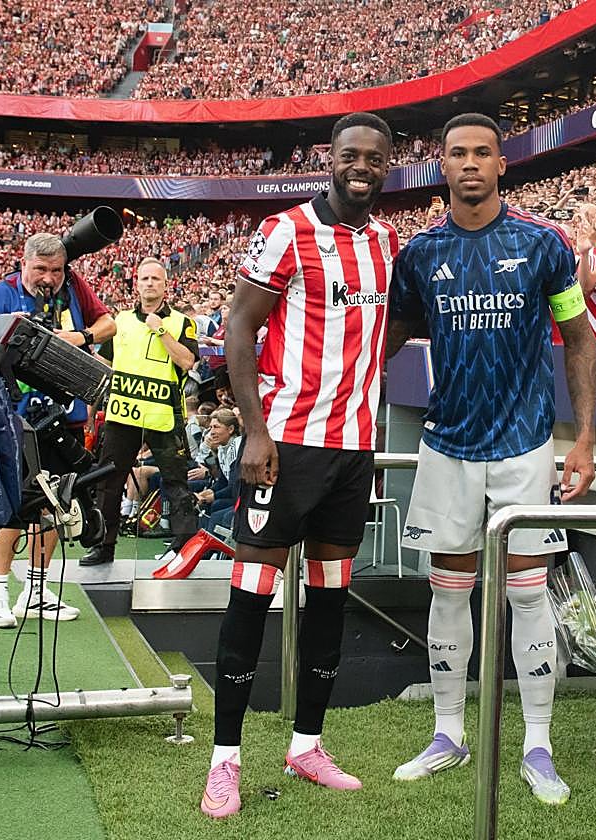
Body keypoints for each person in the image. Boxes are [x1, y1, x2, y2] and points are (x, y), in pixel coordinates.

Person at [385, 112, 596, 806]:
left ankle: (538, 741)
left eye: (483, 153)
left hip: (526, 442)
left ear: (503, 164)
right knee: (448, 587)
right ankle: (449, 732)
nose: (470, 164)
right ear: (440, 166)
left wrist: (585, 439)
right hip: (448, 440)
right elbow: (388, 338)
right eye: (457, 154)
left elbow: (578, 340)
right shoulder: (418, 254)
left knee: (528, 590)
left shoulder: (543, 244)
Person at [199, 112, 399, 819]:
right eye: (351, 155)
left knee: (331, 597)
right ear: (330, 159)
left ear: (388, 164)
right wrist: (255, 431)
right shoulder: (287, 231)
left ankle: (306, 743)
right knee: (252, 595)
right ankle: (224, 761)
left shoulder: (385, 240)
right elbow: (239, 329)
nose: (362, 167)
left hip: (352, 448)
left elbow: (382, 331)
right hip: (284, 444)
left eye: (375, 158)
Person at [0, 232, 116, 627]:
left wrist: (80, 336)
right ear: (24, 264)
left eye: (56, 270)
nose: (49, 277)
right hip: (13, 418)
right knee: (13, 506)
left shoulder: (74, 288)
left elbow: (109, 324)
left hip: (63, 418)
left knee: (58, 503)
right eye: (41, 269)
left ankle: (35, 592)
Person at [83, 257, 200, 567]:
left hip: (164, 417)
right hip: (122, 415)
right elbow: (104, 367)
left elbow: (187, 362)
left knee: (176, 482)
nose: (150, 283)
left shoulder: (181, 322)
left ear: (166, 285)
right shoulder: (119, 320)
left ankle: (184, 546)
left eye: (155, 279)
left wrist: (160, 330)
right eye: (144, 278)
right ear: (136, 283)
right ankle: (103, 546)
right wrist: (90, 412)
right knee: (108, 482)